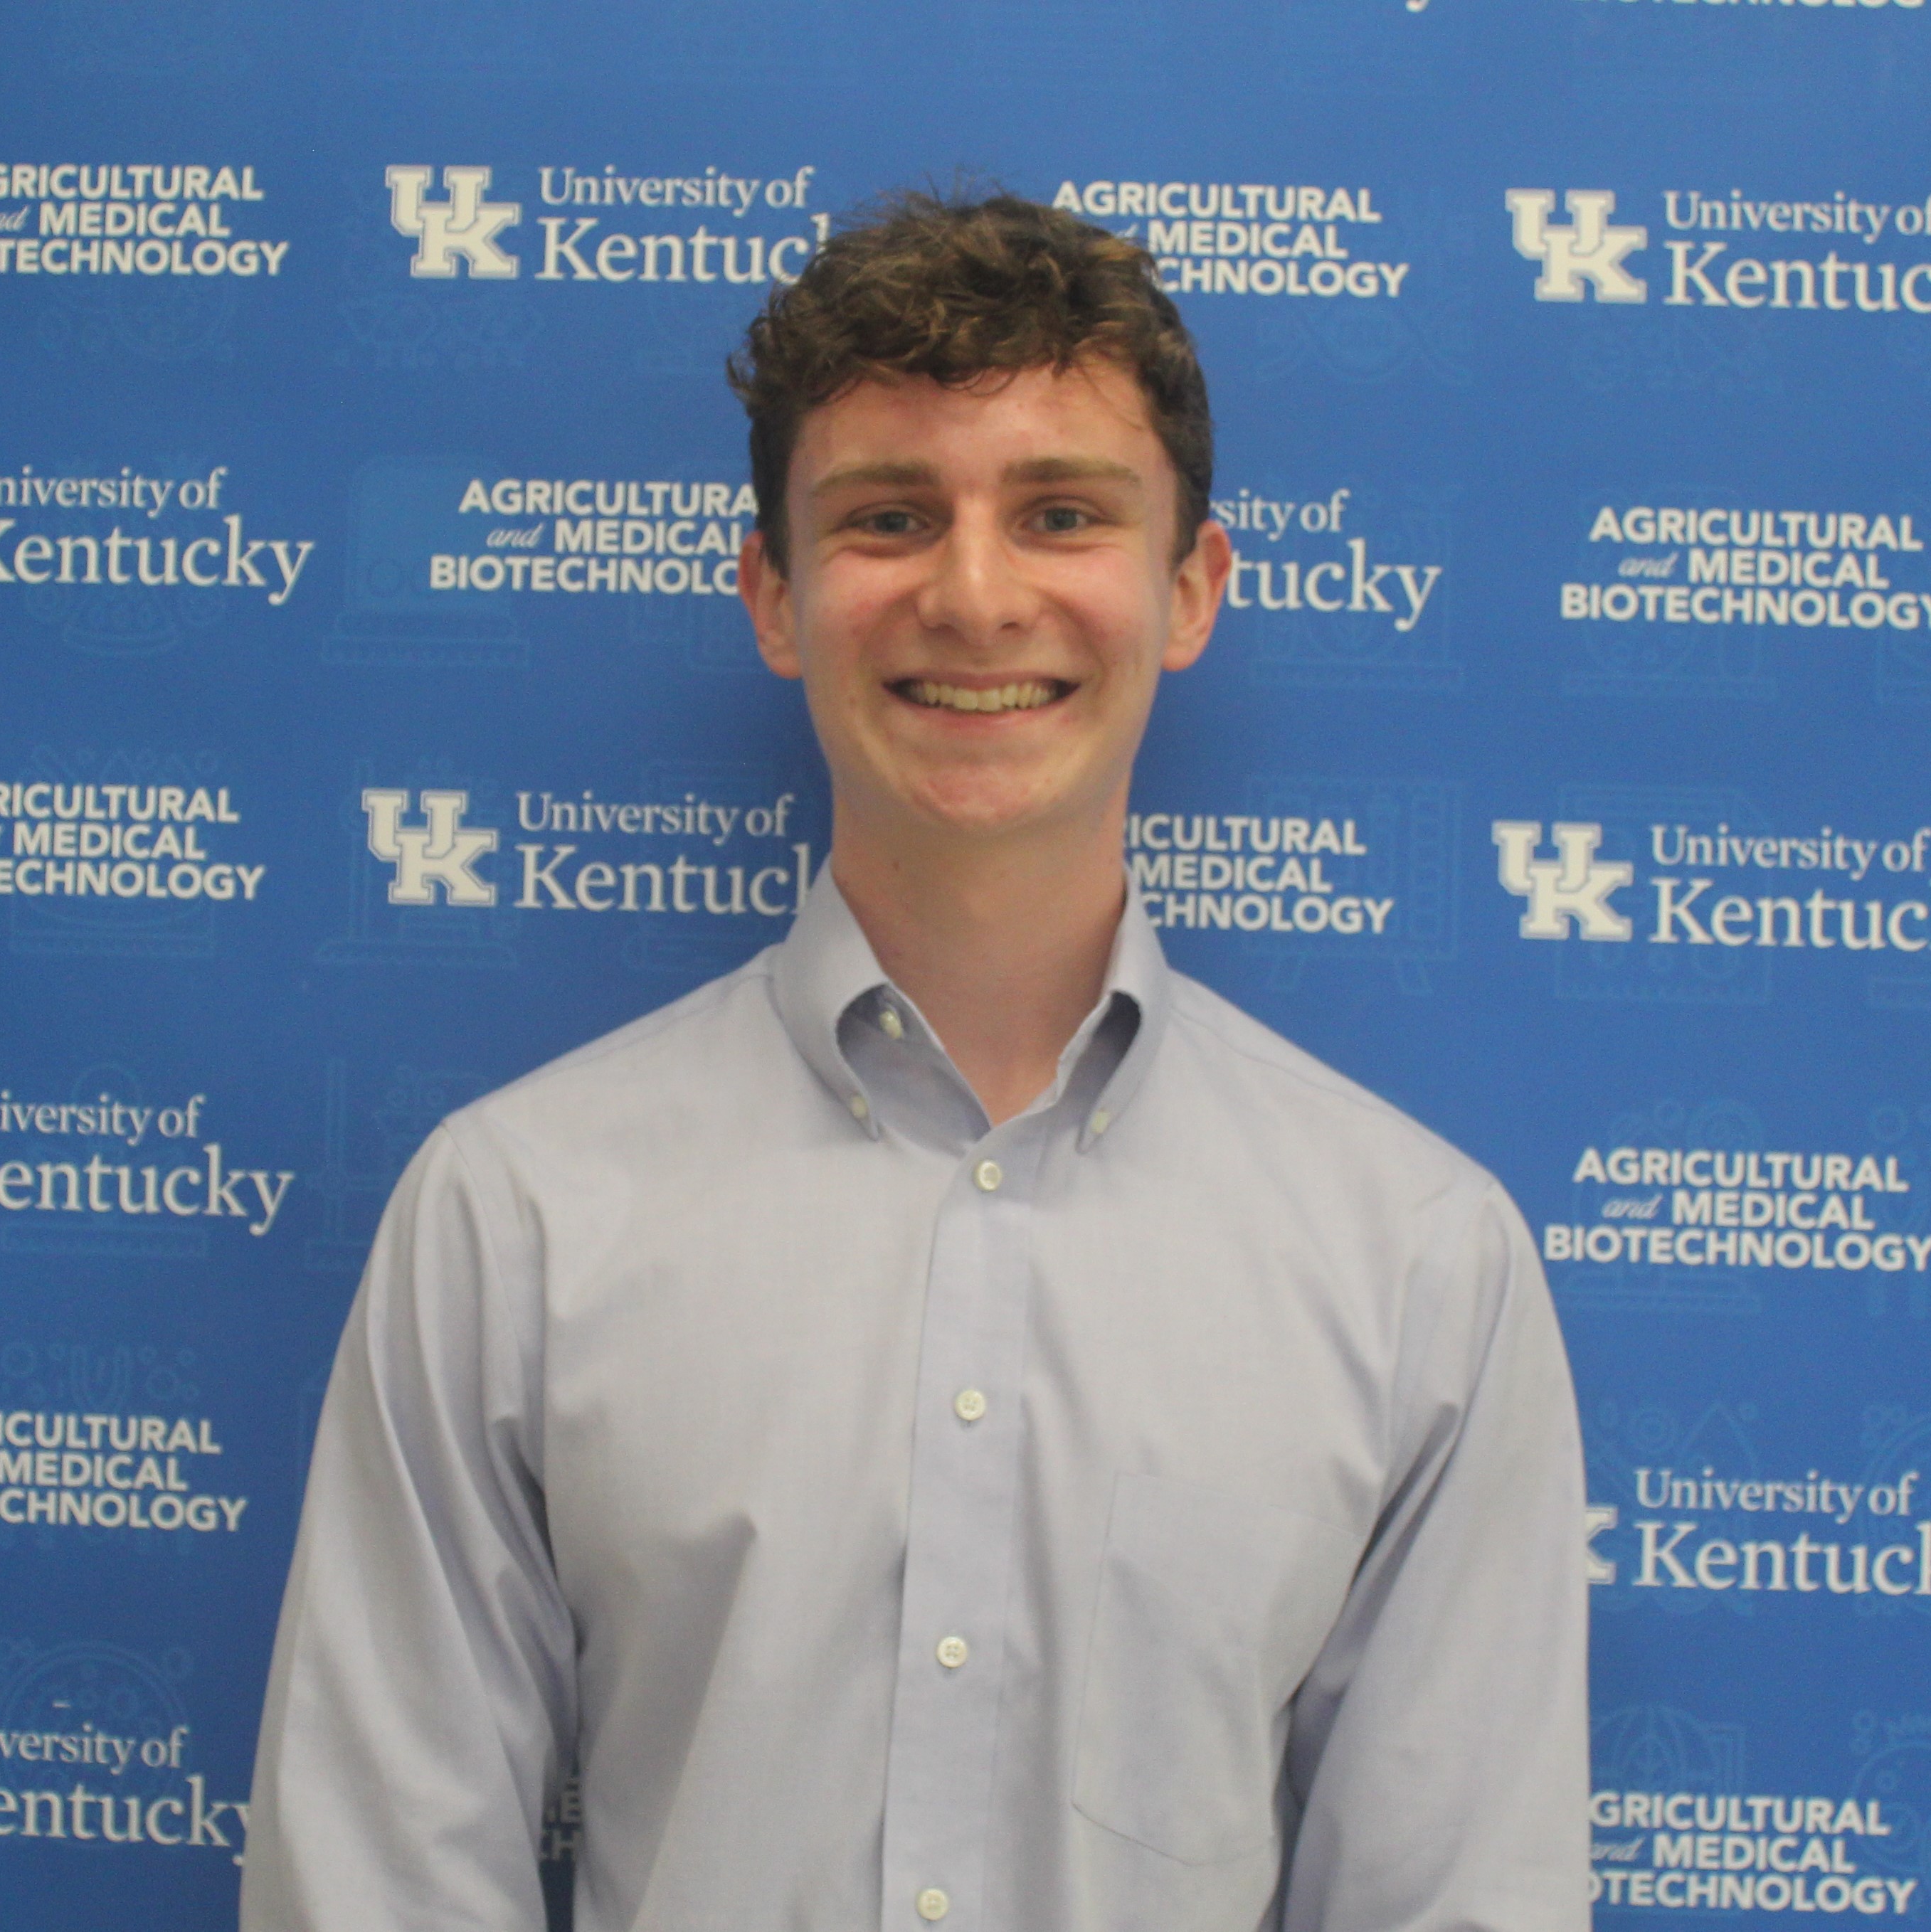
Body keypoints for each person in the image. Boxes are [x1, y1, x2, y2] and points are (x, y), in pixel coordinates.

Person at [243, 191, 1589, 1932]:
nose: (974, 593)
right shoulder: (515, 1213)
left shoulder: (1418, 1258)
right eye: (888, 516)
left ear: (1189, 588)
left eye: (1060, 512)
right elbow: (376, 1886)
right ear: (774, 594)